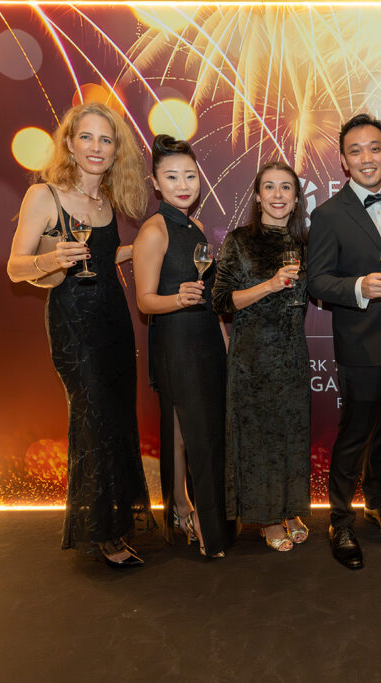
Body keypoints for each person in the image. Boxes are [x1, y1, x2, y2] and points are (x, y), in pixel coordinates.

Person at [6, 102, 153, 567]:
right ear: (69, 143)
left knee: (118, 419)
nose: (96, 147)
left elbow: (104, 257)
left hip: (114, 322)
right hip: (74, 328)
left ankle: (117, 522)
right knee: (93, 421)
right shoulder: (44, 195)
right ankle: (101, 534)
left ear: (115, 151)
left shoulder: (105, 201)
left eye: (105, 140)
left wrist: (145, 247)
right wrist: (51, 259)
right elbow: (15, 268)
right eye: (86, 137)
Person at [307, 114, 381, 570]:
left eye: (375, 148)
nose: (366, 158)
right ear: (344, 160)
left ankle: (377, 502)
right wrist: (358, 287)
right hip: (361, 345)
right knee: (354, 434)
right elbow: (316, 281)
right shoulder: (328, 214)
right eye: (356, 150)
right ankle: (340, 520)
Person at [132, 135, 230, 559]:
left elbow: (210, 295)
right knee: (193, 434)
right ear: (156, 183)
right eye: (172, 177)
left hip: (206, 339)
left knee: (194, 431)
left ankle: (183, 509)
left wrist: (224, 341)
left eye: (190, 175)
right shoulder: (153, 230)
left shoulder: (197, 227)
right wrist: (178, 299)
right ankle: (202, 523)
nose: (183, 184)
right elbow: (144, 301)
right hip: (176, 342)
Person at [212, 161, 311, 552]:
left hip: (292, 355)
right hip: (252, 358)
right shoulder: (239, 241)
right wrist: (270, 285)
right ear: (257, 196)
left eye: (286, 187)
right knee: (259, 440)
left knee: (292, 435)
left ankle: (290, 510)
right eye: (269, 187)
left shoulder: (305, 244)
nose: (277, 195)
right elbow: (221, 300)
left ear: (297, 198)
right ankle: (268, 518)